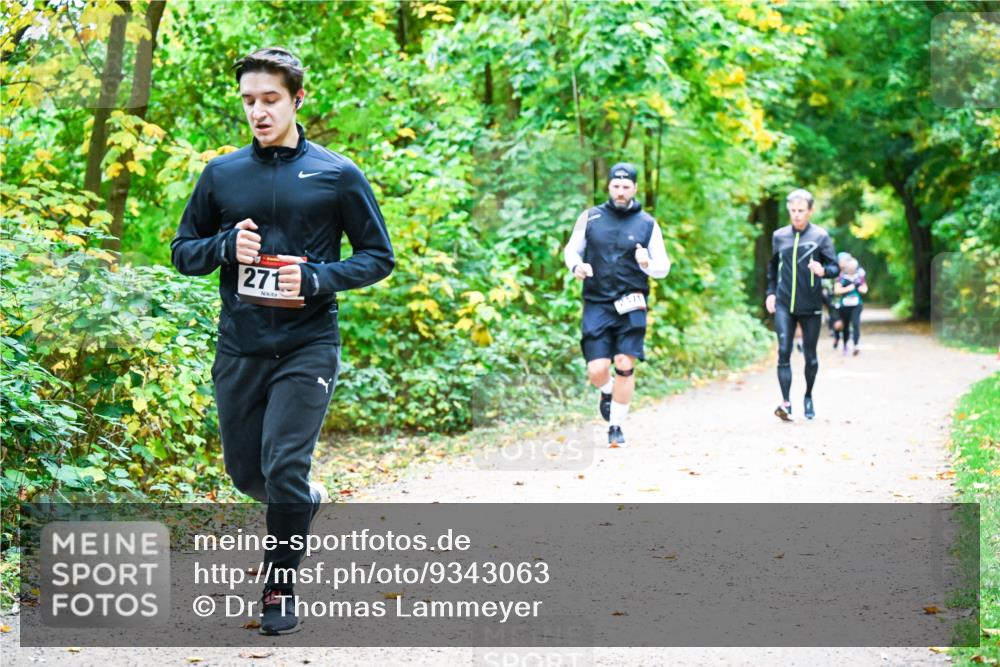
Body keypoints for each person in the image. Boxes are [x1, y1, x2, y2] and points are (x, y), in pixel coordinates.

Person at [170, 47, 394, 635]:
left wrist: (317, 276)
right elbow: (181, 252)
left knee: (284, 465)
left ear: (297, 99)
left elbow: (378, 257)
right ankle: (301, 499)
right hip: (240, 347)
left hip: (307, 344)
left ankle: (278, 590)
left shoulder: (337, 174)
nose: (259, 112)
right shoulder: (221, 175)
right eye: (249, 100)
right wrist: (223, 247)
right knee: (248, 475)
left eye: (270, 99)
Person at [563, 162, 671, 446]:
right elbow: (571, 250)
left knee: (624, 362)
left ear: (635, 188)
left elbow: (664, 266)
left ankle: (615, 427)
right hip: (597, 302)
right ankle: (609, 390)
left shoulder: (647, 224)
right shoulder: (591, 217)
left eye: (626, 187)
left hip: (632, 301)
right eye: (616, 186)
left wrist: (647, 263)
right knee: (596, 370)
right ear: (608, 186)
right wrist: (577, 266)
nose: (620, 192)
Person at [765, 188, 838, 421]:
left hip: (811, 305)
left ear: (810, 211)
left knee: (810, 356)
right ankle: (786, 404)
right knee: (784, 349)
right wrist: (770, 293)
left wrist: (823, 270)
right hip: (784, 303)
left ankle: (808, 395)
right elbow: (771, 268)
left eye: (801, 211)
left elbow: (834, 268)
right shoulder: (779, 236)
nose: (796, 215)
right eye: (793, 210)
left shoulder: (820, 237)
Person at [834, 256, 868, 355]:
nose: (852, 270)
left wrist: (860, 288)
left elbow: (865, 289)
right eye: (850, 268)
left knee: (856, 323)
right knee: (845, 326)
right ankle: (845, 345)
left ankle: (856, 345)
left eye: (854, 268)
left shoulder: (859, 277)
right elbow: (837, 290)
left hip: (856, 304)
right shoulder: (841, 277)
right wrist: (849, 288)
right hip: (844, 306)